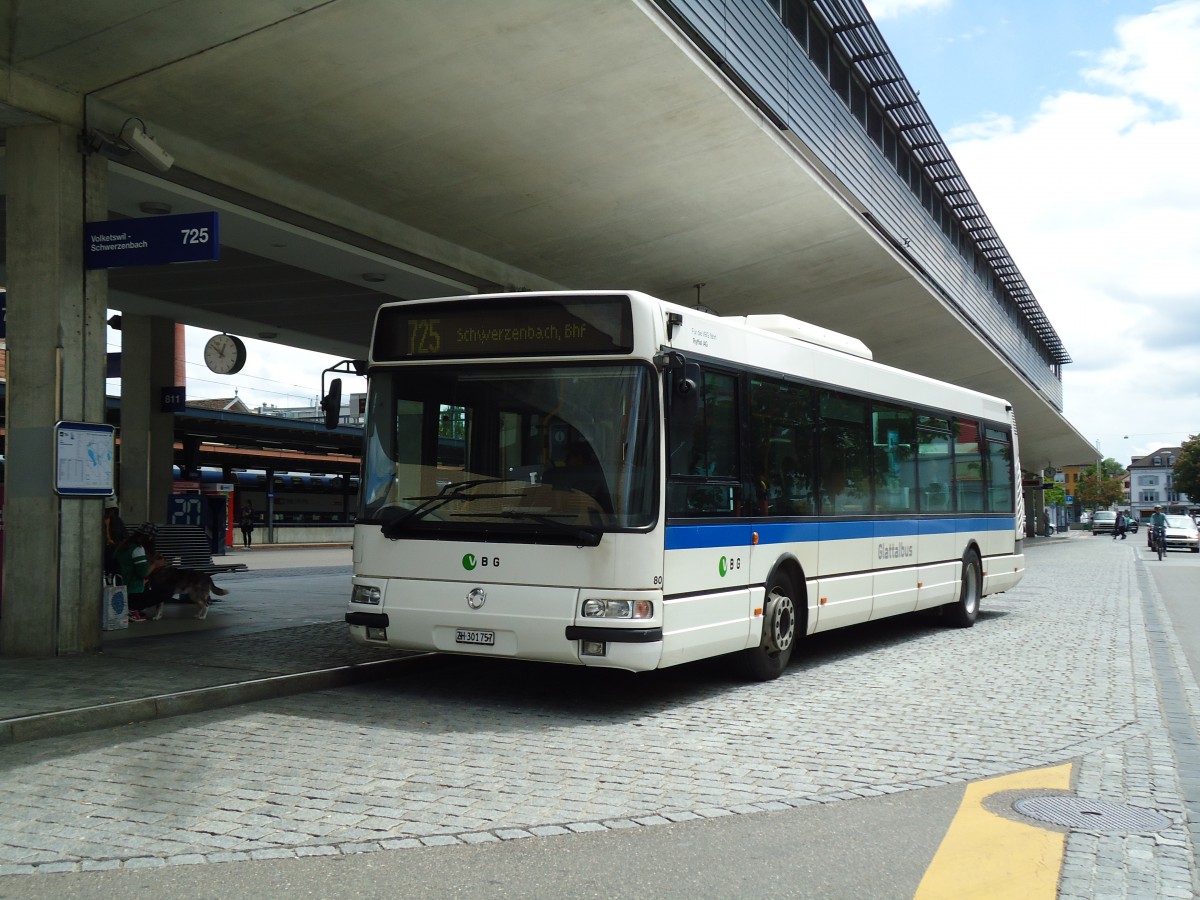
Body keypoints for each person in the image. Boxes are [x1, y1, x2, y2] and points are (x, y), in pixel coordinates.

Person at [112, 526, 174, 622]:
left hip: (121, 587)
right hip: (132, 591)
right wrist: (155, 564)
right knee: (168, 590)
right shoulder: (138, 549)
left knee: (151, 585)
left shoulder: (123, 546)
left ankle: (132, 607)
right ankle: (132, 608)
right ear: (148, 539)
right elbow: (143, 573)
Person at [103, 496, 127, 575]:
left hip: (115, 553)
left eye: (112, 509)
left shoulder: (117, 521)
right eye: (107, 509)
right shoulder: (94, 521)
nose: (110, 511)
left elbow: (125, 537)